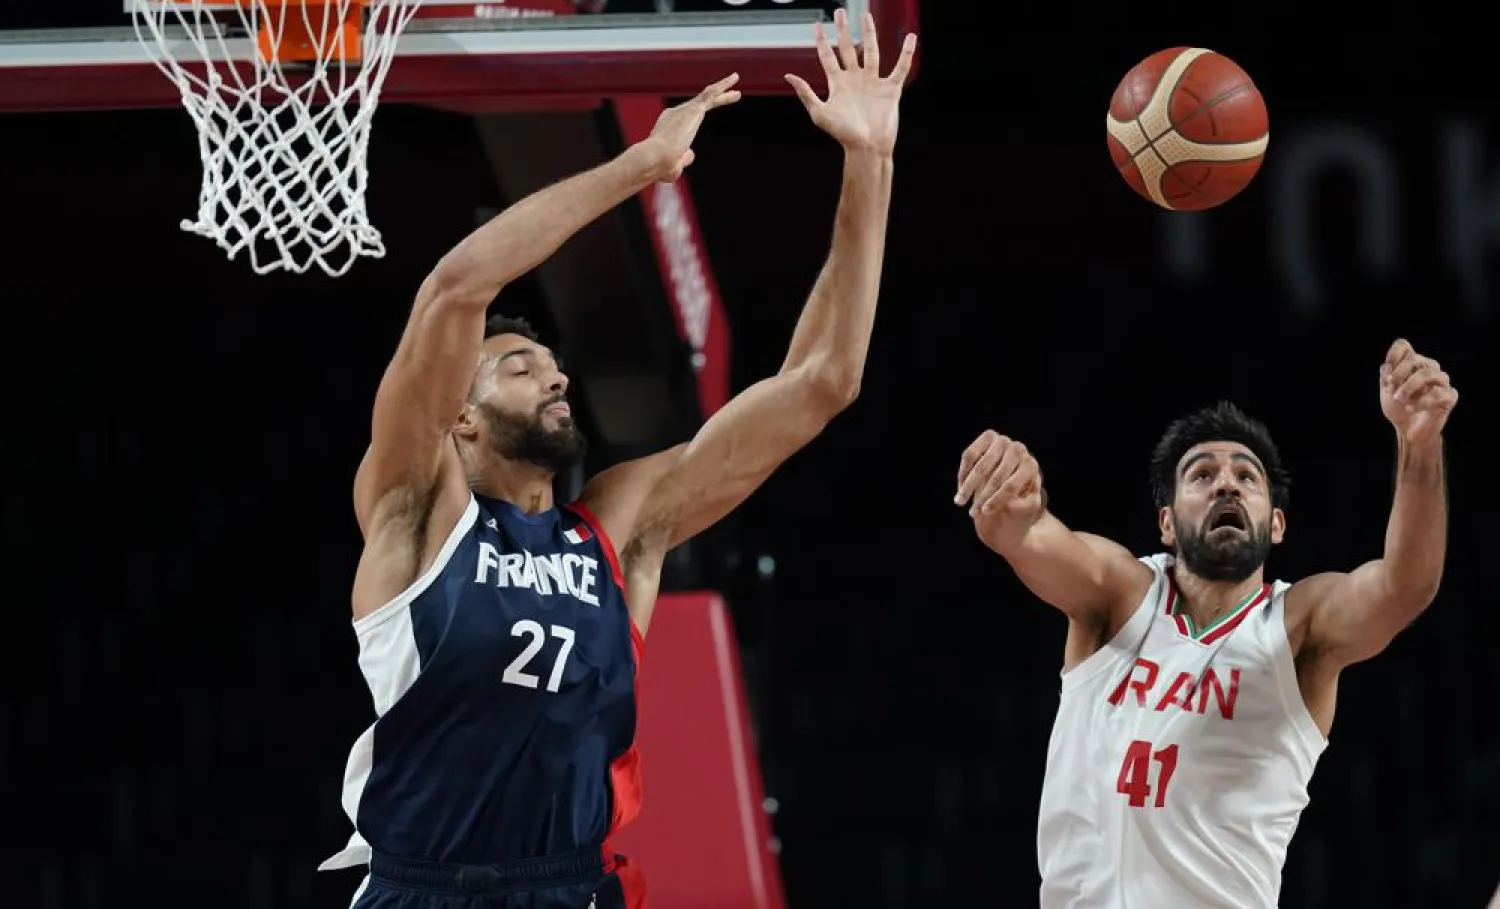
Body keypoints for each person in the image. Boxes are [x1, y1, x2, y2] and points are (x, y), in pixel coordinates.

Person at [318, 10, 917, 909]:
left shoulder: (618, 528)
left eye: (553, 366)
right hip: (423, 888)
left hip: (572, 887)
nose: (555, 377)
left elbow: (822, 382)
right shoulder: (416, 512)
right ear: (461, 419)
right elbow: (453, 289)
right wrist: (640, 167)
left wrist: (870, 161)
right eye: (520, 369)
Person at [953, 340, 1458, 909]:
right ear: (1167, 523)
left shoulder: (1297, 628)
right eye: (1201, 474)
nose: (1226, 484)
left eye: (1247, 477)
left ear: (1276, 525)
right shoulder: (1119, 596)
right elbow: (1022, 533)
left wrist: (1419, 444)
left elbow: (1403, 587)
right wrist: (1012, 496)